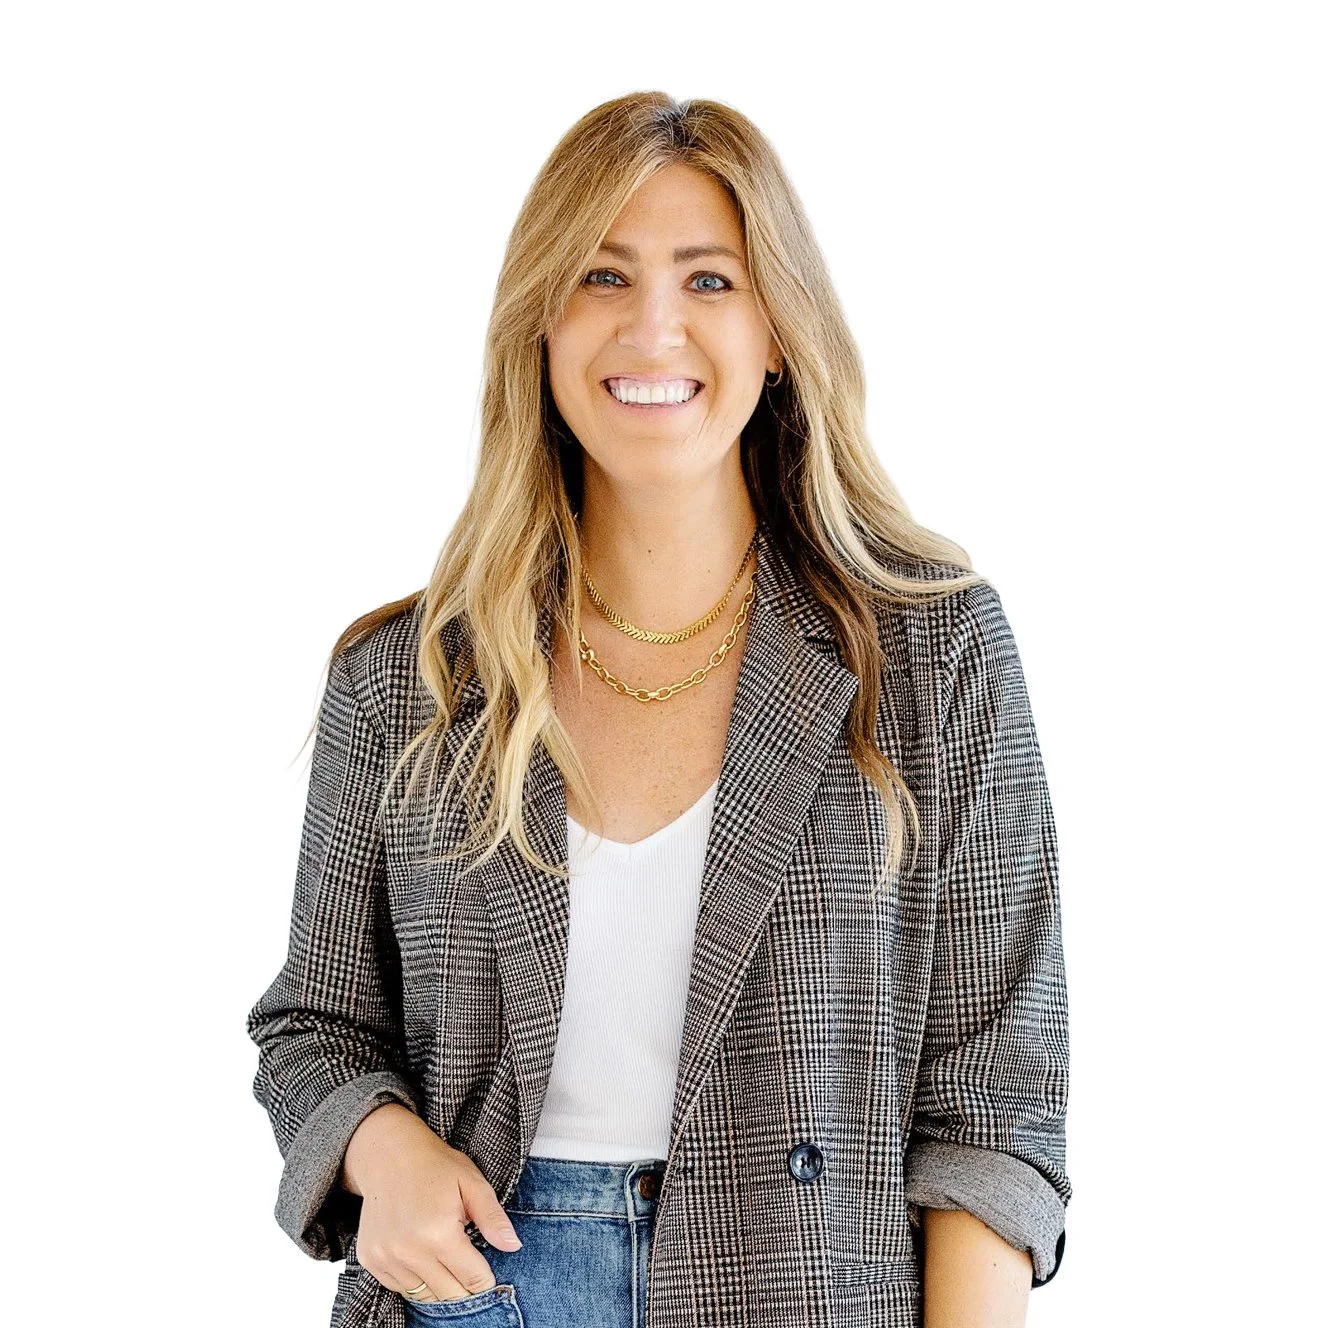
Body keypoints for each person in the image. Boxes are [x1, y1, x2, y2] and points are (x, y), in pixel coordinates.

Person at [245, 91, 1071, 1328]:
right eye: (601, 275)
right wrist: (382, 1146)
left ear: (777, 329)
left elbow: (993, 1102)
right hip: (483, 1292)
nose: (650, 326)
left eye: (707, 280)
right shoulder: (407, 679)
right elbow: (314, 1024)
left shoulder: (929, 653)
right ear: (540, 322)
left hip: (800, 1292)